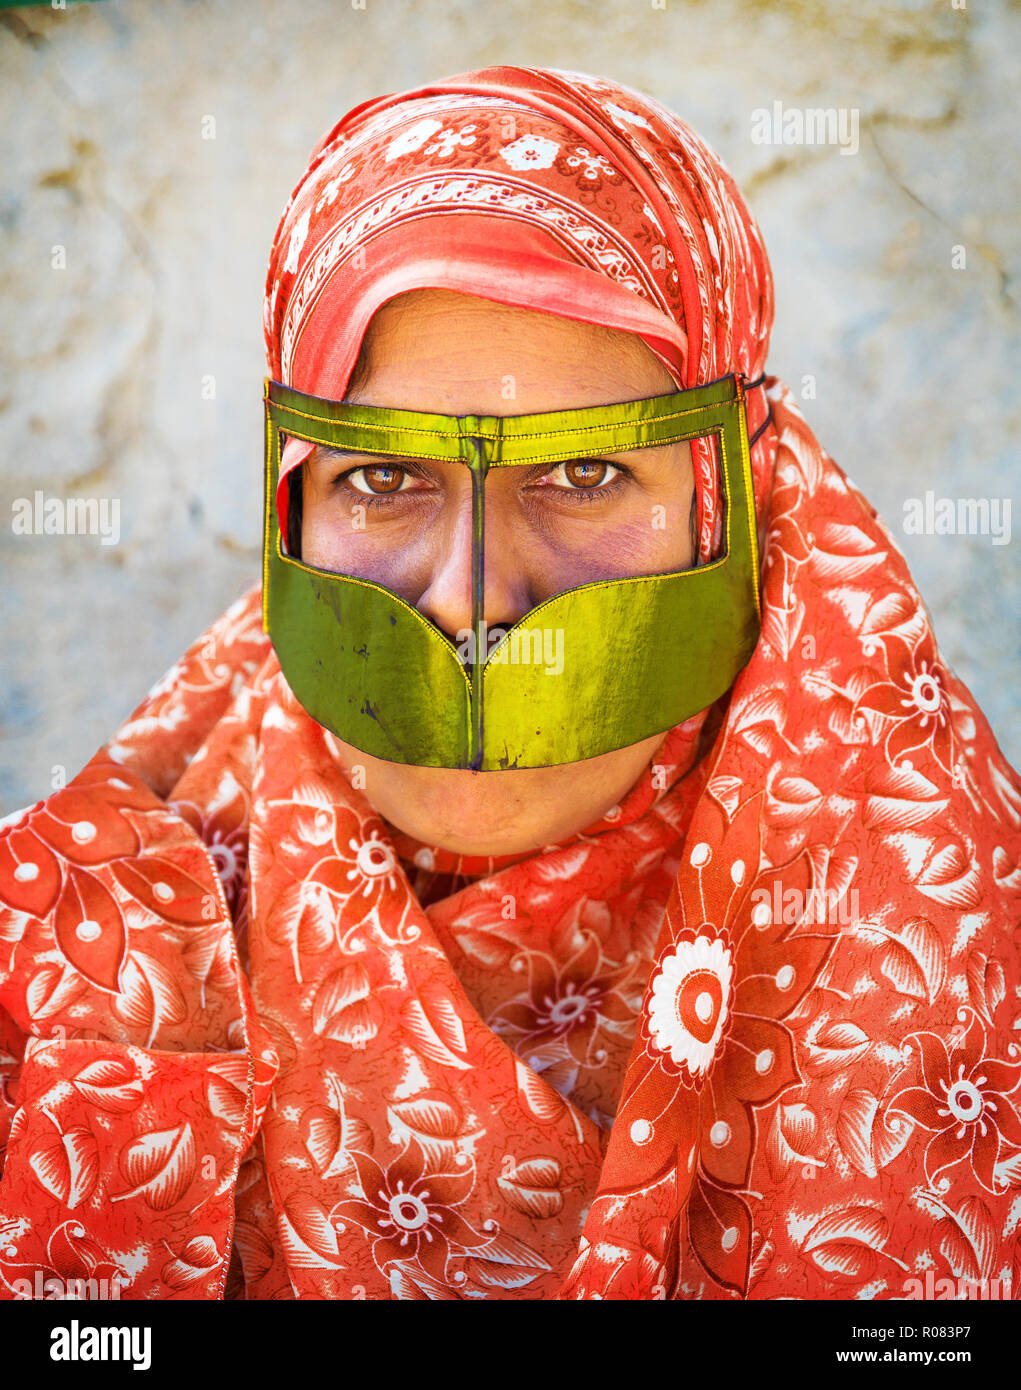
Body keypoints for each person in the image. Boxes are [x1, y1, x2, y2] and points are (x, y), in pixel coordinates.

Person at [0, 65, 1018, 1303]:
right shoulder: (72, 951)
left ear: (727, 504)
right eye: (381, 480)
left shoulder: (956, 946)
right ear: (293, 504)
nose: (472, 600)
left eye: (584, 475)